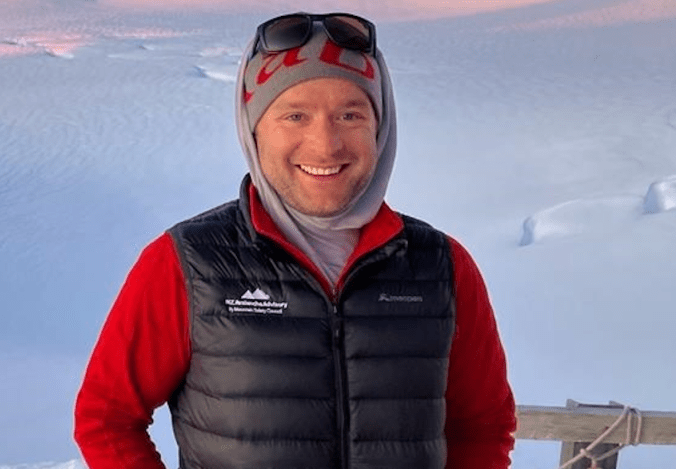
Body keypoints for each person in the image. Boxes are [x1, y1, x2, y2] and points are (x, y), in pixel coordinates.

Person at [74, 12, 516, 469]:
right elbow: (107, 417)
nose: (325, 145)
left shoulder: (441, 266)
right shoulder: (187, 263)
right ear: (253, 128)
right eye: (295, 115)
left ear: (380, 127)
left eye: (350, 114)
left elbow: (482, 427)